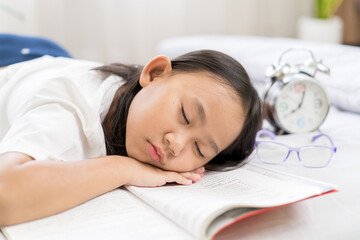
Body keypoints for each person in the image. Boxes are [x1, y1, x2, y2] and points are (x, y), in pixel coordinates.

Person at [0, 49, 262, 226]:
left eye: (200, 149)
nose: (177, 144)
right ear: (155, 73)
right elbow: (5, 195)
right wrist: (123, 168)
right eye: (184, 114)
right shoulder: (67, 110)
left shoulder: (143, 101)